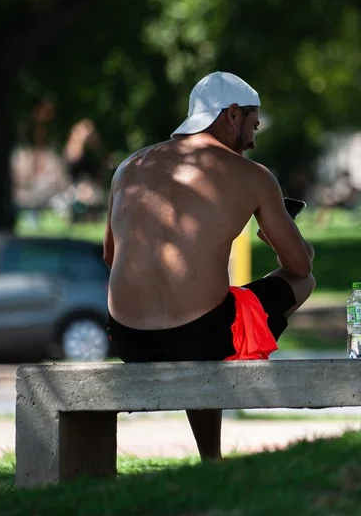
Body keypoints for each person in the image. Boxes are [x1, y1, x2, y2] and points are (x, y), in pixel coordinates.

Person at [102, 71, 315, 461]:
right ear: (232, 115)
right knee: (298, 284)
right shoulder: (253, 176)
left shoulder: (129, 167)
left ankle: (211, 459)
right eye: (253, 124)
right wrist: (278, 239)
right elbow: (299, 266)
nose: (252, 139)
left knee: (209, 307)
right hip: (203, 337)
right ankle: (211, 457)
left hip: (128, 339)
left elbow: (111, 258)